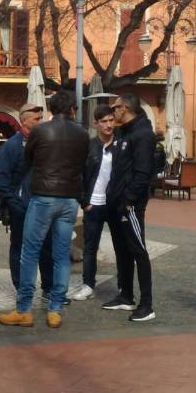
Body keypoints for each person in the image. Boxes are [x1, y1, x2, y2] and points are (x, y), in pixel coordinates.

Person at [0, 91, 89, 329]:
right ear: (72, 110)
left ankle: (24, 310)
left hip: (43, 198)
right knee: (61, 255)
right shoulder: (82, 134)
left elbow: (28, 161)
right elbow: (86, 166)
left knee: (29, 253)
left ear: (51, 109)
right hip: (69, 199)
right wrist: (84, 197)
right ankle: (55, 310)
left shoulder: (40, 131)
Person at [103, 93, 157, 322]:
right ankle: (126, 295)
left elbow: (143, 172)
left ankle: (147, 305)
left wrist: (129, 200)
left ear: (124, 108)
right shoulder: (123, 132)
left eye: (115, 108)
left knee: (138, 250)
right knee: (122, 250)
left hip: (131, 204)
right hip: (116, 203)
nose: (112, 112)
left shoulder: (143, 134)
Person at [0, 103, 53, 296]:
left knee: (46, 246)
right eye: (37, 119)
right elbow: (0, 177)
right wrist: (14, 204)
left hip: (42, 205)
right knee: (18, 247)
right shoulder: (11, 146)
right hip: (21, 207)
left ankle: (48, 287)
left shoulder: (44, 143)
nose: (40, 122)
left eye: (41, 118)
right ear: (24, 120)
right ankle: (21, 287)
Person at [72, 105, 118, 301]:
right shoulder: (89, 146)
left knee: (121, 247)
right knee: (90, 247)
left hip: (115, 204)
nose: (108, 125)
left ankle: (124, 286)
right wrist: (84, 202)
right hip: (94, 203)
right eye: (104, 121)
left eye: (111, 120)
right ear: (96, 123)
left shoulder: (121, 145)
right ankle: (88, 285)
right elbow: (79, 175)